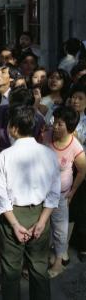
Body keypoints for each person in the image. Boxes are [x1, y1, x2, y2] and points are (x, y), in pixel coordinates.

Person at [0, 105, 60, 300]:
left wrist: (14, 224)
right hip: (40, 213)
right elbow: (54, 193)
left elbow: (1, 195)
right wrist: (41, 222)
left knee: (11, 270)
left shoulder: (5, 156)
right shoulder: (49, 154)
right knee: (39, 269)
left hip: (12, 215)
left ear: (13, 128)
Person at [42, 106, 86, 277]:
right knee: (42, 227)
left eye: (60, 124)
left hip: (60, 196)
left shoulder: (75, 145)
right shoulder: (45, 137)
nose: (55, 126)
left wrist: (73, 191)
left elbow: (82, 170)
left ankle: (58, 263)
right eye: (55, 121)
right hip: (42, 193)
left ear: (70, 127)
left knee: (60, 230)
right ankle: (42, 258)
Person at [69, 84, 86, 261]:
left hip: (82, 169)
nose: (76, 101)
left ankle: (82, 244)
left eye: (80, 98)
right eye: (74, 97)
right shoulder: (61, 116)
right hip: (64, 168)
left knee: (81, 208)